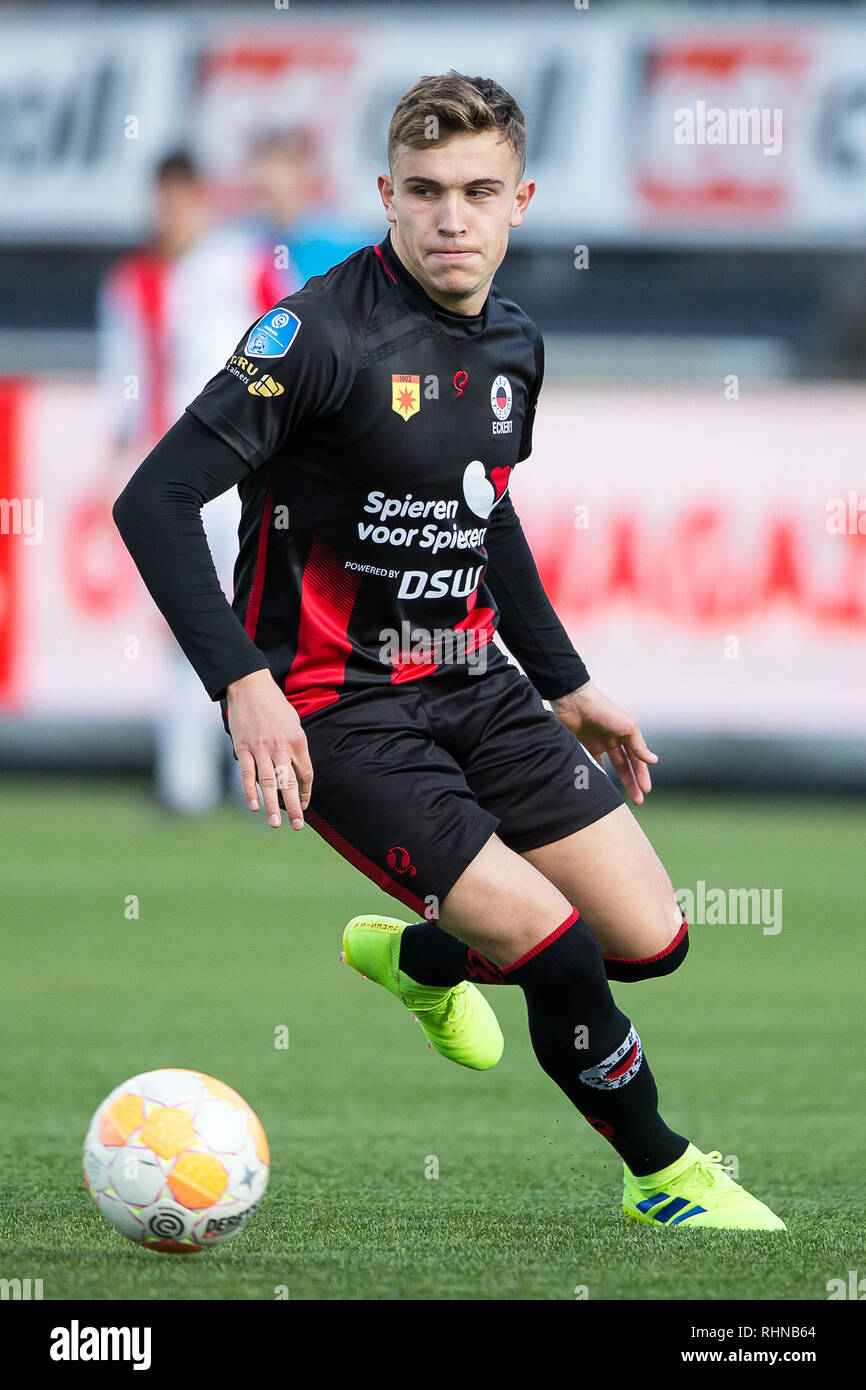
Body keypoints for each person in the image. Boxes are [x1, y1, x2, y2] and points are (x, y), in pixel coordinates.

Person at [113, 74, 785, 1230]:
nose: (450, 218)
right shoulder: (313, 336)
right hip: (338, 711)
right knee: (558, 947)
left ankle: (423, 962)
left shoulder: (516, 343)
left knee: (652, 938)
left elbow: (489, 511)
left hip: (472, 682)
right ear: (384, 195)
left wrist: (567, 682)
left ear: (520, 199)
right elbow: (154, 498)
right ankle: (662, 1175)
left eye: (478, 192)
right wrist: (244, 682)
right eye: (423, 193)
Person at [100, 151, 293, 813]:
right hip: (174, 478)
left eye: (182, 197)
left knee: (256, 617)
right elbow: (122, 392)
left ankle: (265, 774)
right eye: (163, 199)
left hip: (246, 470)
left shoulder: (247, 260)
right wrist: (117, 466)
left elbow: (297, 344)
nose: (171, 212)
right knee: (188, 626)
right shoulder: (134, 283)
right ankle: (186, 780)